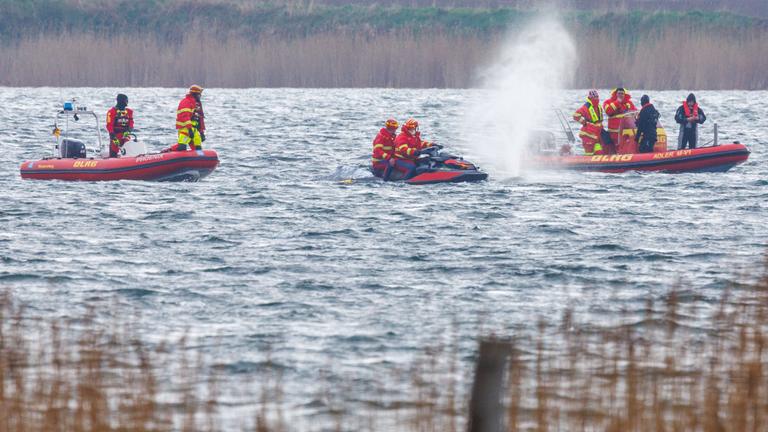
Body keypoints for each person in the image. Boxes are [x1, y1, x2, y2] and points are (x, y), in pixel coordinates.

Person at [603, 88, 636, 153]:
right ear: (616, 94)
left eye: (622, 94)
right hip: (614, 132)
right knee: (617, 146)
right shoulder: (608, 102)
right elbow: (608, 111)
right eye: (619, 93)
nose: (621, 95)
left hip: (627, 131)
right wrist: (617, 102)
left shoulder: (629, 103)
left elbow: (635, 112)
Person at [572, 89, 605, 155]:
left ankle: (598, 163)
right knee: (589, 153)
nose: (596, 98)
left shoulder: (599, 107)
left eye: (597, 97)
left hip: (597, 133)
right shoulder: (586, 107)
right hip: (588, 133)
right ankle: (586, 163)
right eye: (594, 97)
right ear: (590, 97)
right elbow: (575, 115)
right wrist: (583, 122)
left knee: (599, 151)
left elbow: (599, 121)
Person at [175, 85, 206, 151]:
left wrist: (202, 132)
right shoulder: (186, 102)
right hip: (185, 129)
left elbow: (200, 120)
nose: (200, 96)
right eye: (199, 94)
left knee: (198, 149)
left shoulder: (197, 104)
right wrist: (189, 129)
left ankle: (199, 159)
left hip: (195, 130)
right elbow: (185, 116)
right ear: (194, 94)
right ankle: (168, 151)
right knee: (182, 147)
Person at [105, 93, 134, 158]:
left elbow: (131, 122)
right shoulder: (111, 112)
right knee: (113, 152)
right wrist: (112, 135)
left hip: (126, 135)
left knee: (128, 150)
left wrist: (129, 130)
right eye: (126, 100)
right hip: (116, 136)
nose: (127, 102)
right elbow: (109, 125)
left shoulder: (129, 112)